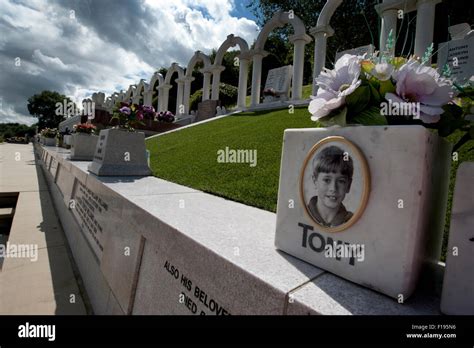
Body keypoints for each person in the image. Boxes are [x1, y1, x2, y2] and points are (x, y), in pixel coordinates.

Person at [307, 145, 354, 227]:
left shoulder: (354, 221)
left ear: (349, 185)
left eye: (341, 181)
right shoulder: (302, 213)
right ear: (315, 181)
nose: (333, 188)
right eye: (327, 180)